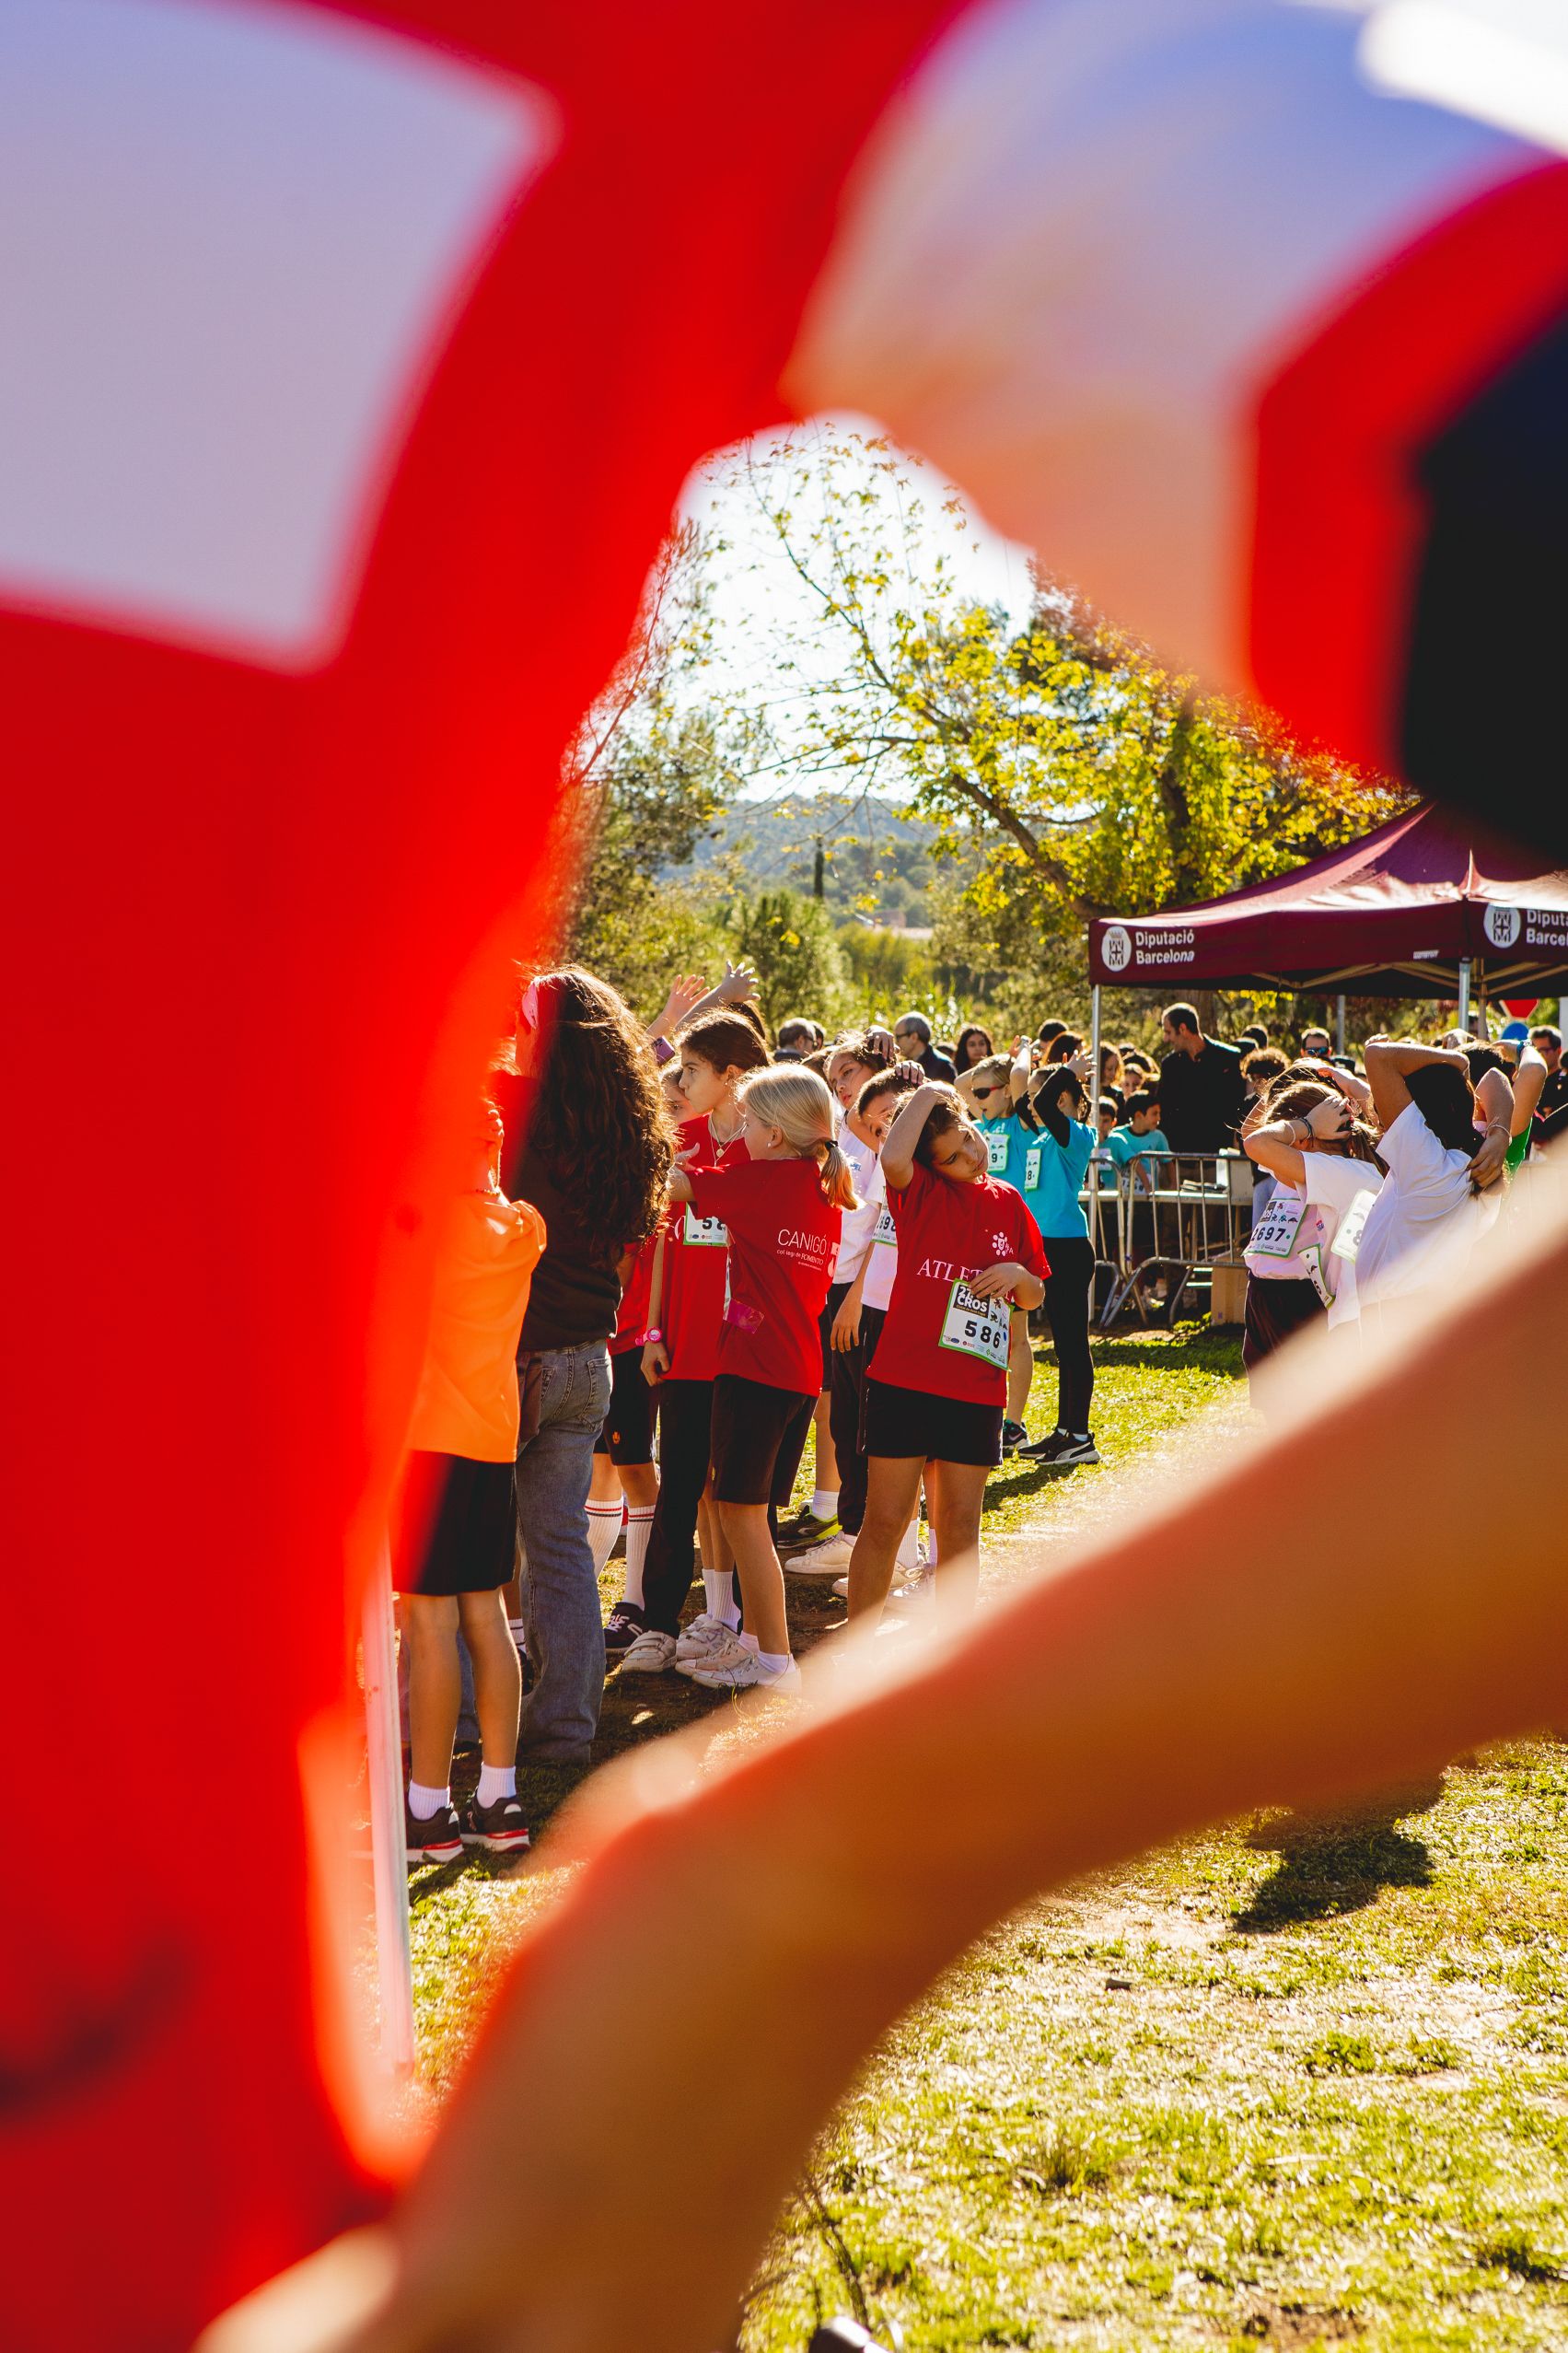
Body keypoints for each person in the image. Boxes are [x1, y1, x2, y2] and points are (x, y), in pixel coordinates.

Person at [495, 972, 670, 1764]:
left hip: (515, 1356)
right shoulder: (626, 1128)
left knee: (475, 1551)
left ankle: (461, 1720)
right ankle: (564, 1726)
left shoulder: (520, 1114)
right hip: (588, 1359)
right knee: (560, 1545)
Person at [666, 1067, 855, 1689]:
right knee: (746, 1510)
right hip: (793, 1368)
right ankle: (752, 1640)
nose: (738, 1130)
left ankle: (773, 1660)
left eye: (746, 1122)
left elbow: (674, 1187)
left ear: (774, 1134)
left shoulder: (764, 1178)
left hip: (755, 1367)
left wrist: (652, 1141)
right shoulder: (814, 1182)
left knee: (740, 1513)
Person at [395, 1099, 545, 1863]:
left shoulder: (416, 1224)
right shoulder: (523, 1226)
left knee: (428, 1624)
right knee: (485, 1615)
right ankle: (499, 1793)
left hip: (424, 1441)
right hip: (490, 1437)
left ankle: (427, 1809)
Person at [845, 1082, 1046, 1625]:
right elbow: (891, 1155)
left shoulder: (1008, 1201)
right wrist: (933, 1090)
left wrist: (1019, 1275)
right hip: (903, 1381)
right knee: (885, 1521)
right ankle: (859, 1650)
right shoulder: (919, 1193)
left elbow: (1035, 1294)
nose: (970, 1157)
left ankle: (953, 1655)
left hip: (974, 1389)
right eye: (952, 1158)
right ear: (932, 1166)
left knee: (960, 1526)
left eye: (969, 1140)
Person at [620, 1012, 771, 1675]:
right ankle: (656, 1626)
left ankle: (727, 1620)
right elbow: (658, 1243)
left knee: (734, 1495)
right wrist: (653, 1329)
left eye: (690, 1070)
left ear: (731, 1076)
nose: (678, 1082)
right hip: (679, 1343)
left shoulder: (768, 1147)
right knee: (680, 1485)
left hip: (741, 1351)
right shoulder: (678, 1139)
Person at [785, 1064, 923, 1581]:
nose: (886, 1124)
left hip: (871, 1301)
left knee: (876, 1425)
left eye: (895, 1114)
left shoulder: (900, 1165)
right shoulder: (848, 1145)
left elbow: (881, 1239)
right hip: (839, 1291)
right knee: (847, 1419)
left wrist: (853, 1301)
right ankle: (857, 1536)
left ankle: (890, 1551)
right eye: (877, 1116)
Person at [1238, 1078, 1384, 1389]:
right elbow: (1251, 1135)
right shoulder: (1300, 1167)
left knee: (1302, 1410)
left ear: (1304, 1141)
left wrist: (1305, 1123)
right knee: (1275, 1410)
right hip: (1264, 1295)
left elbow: (1257, 1144)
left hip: (1300, 1303)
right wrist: (1285, 1082)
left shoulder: (1343, 1172)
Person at [1355, 1039, 1510, 1323]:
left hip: (1397, 1317)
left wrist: (1458, 1060)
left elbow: (1376, 1056)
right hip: (1424, 1312)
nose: (1377, 1112)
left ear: (1420, 1111)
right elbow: (1493, 1078)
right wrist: (1501, 1133)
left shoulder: (1426, 1163)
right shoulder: (1469, 1158)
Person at [1011, 1059, 1102, 1466]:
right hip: (1048, 1248)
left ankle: (1081, 1437)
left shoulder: (1077, 1135)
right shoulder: (1045, 1136)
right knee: (1063, 1346)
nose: (1029, 1103)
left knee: (1073, 1344)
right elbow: (1024, 1105)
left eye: (1038, 1094)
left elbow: (1044, 1103)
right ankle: (1065, 1432)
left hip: (1068, 1249)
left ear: (1061, 1097)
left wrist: (1069, 1069)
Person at [591, 1233, 661, 1660]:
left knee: (635, 1472)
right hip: (600, 1339)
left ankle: (636, 1603)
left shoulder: (641, 1184)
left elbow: (626, 1266)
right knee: (601, 1469)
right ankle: (582, 1591)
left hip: (633, 1340)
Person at [1157, 1003, 1248, 1156]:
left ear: (1182, 1029)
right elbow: (1164, 1109)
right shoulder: (1170, 1065)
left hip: (1218, 1155)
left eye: (1168, 1032)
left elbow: (1238, 1104)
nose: (1166, 1039)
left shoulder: (1228, 1057)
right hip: (1180, 1156)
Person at [893, 1010, 957, 1084]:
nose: (895, 1043)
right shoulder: (902, 1063)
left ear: (914, 1037)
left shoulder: (944, 1066)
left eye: (898, 1037)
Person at [1530, 1025, 1566, 1118]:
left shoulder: (1564, 1082)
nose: (1538, 1055)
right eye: (1535, 1051)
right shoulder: (1531, 1082)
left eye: (1543, 1050)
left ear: (1558, 1051)